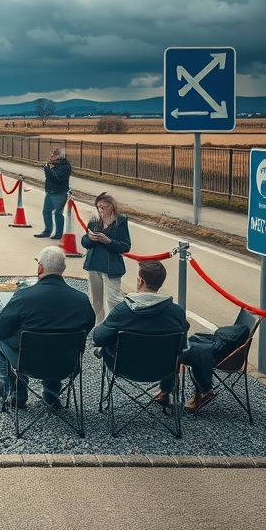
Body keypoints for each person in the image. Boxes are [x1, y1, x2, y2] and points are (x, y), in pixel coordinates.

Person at [0, 247, 96, 408]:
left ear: (40, 267)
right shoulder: (81, 299)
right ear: (63, 269)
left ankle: (17, 395)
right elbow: (89, 325)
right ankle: (52, 395)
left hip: (28, 363)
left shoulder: (24, 296)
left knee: (1, 344)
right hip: (66, 364)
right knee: (58, 343)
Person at [90, 261, 190, 401]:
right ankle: (165, 391)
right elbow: (182, 345)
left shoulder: (122, 310)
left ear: (140, 281)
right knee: (175, 353)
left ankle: (106, 403)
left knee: (103, 344)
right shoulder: (176, 312)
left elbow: (98, 337)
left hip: (123, 367)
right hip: (164, 369)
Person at [80, 191, 130, 322]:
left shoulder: (120, 221)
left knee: (112, 301)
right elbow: (85, 243)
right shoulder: (94, 221)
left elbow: (125, 246)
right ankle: (98, 328)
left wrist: (109, 242)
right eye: (99, 207)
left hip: (111, 267)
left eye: (104, 207)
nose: (101, 210)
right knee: (95, 301)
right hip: (93, 264)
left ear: (111, 206)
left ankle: (112, 328)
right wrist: (91, 238)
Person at [34, 147, 71, 239]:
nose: (51, 157)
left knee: (58, 213)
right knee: (46, 212)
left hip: (59, 193)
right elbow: (50, 178)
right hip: (50, 192)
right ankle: (47, 230)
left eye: (53, 155)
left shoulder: (64, 167)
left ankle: (58, 233)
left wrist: (47, 169)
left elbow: (56, 179)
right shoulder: (54, 166)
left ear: (59, 156)